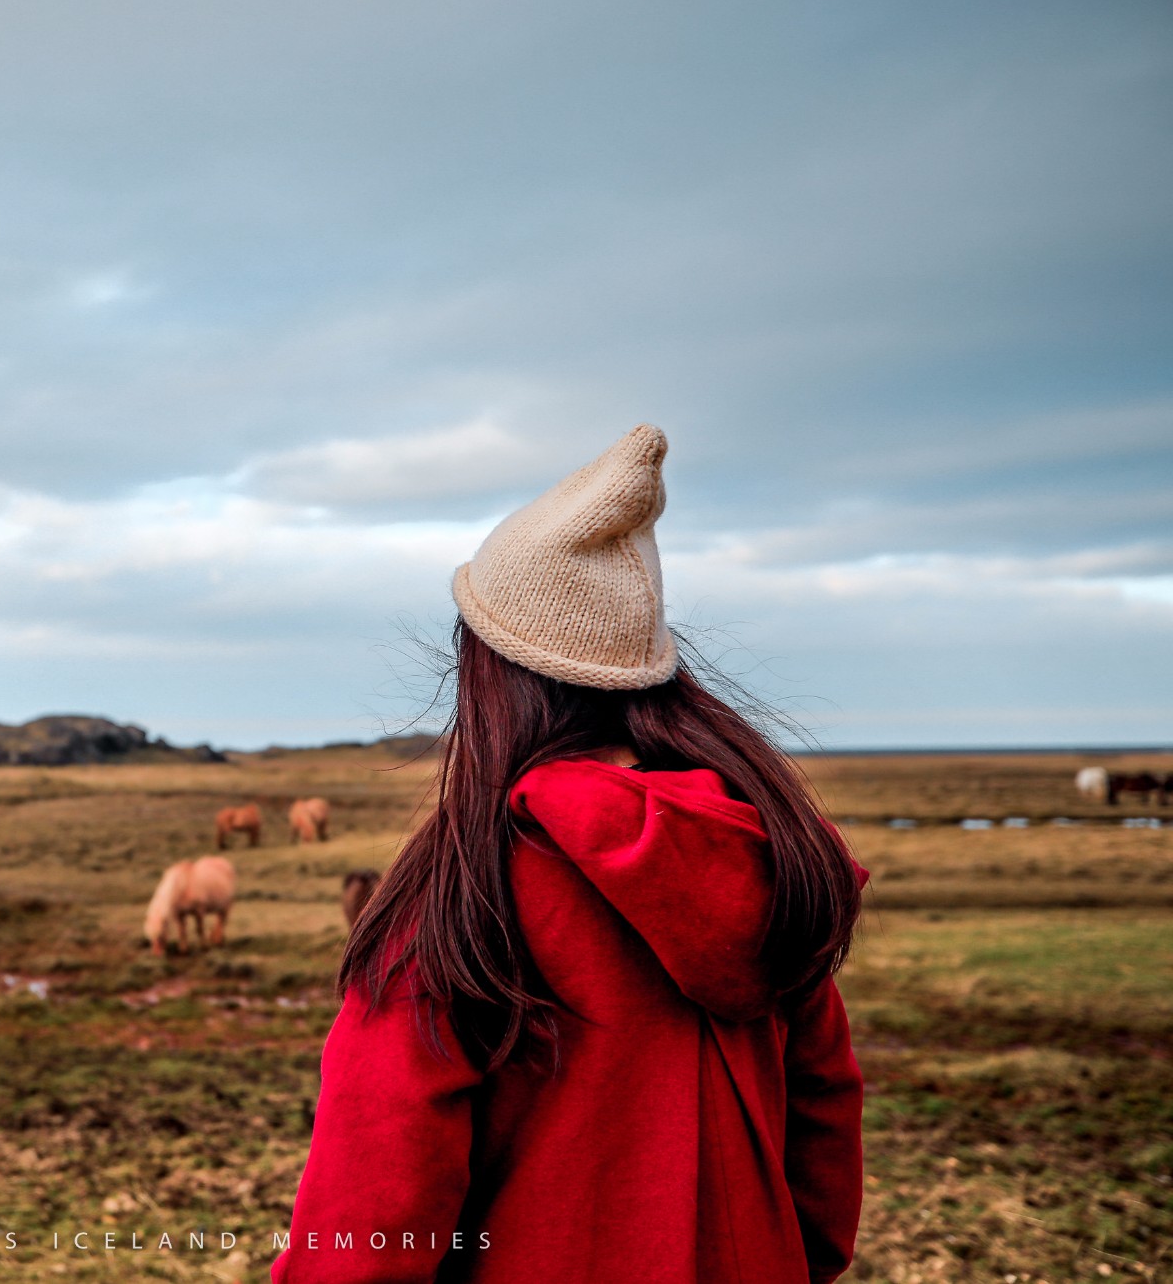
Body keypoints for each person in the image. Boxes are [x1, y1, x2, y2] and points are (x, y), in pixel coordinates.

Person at [273, 425, 866, 1284]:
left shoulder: (464, 898)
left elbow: (374, 1210)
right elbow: (823, 1122)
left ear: (488, 671)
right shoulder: (767, 862)